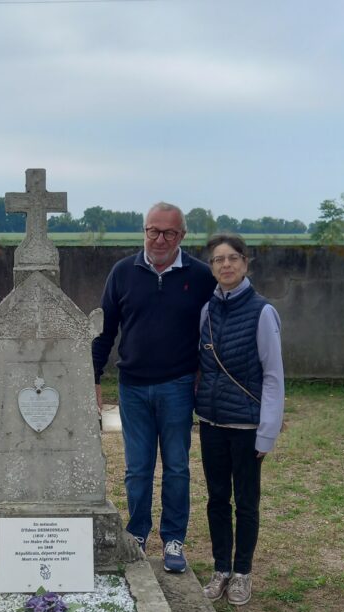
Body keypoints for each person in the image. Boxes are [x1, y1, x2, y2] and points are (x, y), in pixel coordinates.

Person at [92, 202, 215, 573]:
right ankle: (138, 534)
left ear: (183, 236)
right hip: (132, 386)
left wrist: (203, 377)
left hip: (178, 386)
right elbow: (104, 330)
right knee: (137, 468)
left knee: (177, 466)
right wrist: (93, 379)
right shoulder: (122, 272)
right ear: (143, 230)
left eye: (169, 233)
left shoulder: (201, 275)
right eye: (153, 231)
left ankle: (174, 539)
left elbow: (213, 332)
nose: (160, 239)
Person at [196, 233, 284, 606]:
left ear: (245, 264)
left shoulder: (263, 312)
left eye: (233, 258)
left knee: (246, 502)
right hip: (213, 424)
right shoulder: (207, 311)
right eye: (218, 260)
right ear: (212, 267)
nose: (226, 265)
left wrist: (267, 433)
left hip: (247, 428)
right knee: (217, 499)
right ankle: (221, 569)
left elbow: (273, 376)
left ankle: (243, 572)